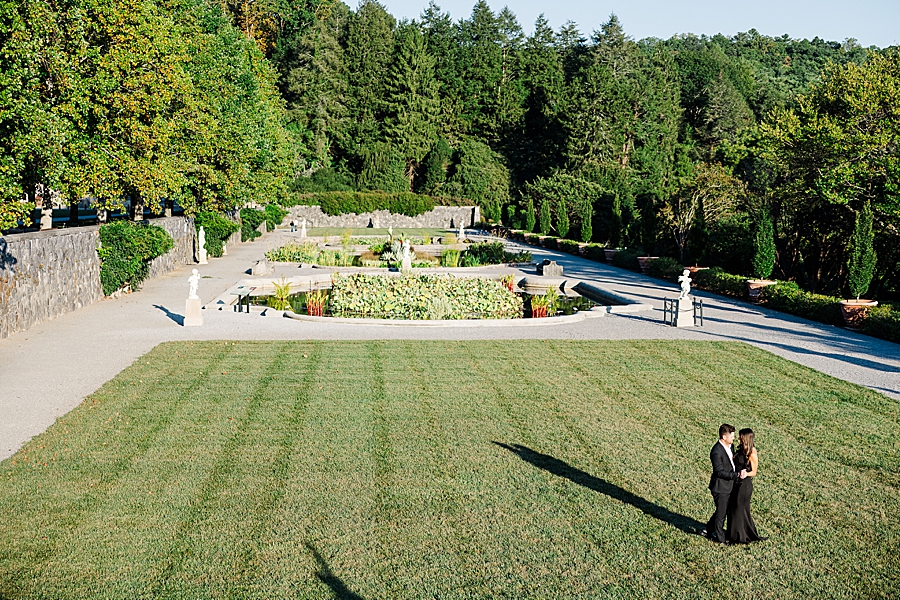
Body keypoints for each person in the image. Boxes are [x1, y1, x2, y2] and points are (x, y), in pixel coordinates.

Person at [703, 423, 746, 543]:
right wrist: (736, 475)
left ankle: (707, 529)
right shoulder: (716, 451)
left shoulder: (730, 446)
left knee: (722, 510)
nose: (734, 438)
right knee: (722, 514)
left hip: (728, 485)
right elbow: (719, 472)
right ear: (724, 437)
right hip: (720, 487)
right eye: (731, 436)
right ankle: (719, 537)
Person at [727, 428, 767, 543]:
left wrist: (746, 473)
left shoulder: (752, 453)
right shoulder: (740, 449)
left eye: (740, 436)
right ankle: (735, 533)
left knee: (739, 509)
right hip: (736, 483)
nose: (738, 438)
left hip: (744, 485)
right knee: (734, 508)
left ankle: (739, 536)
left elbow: (754, 471)